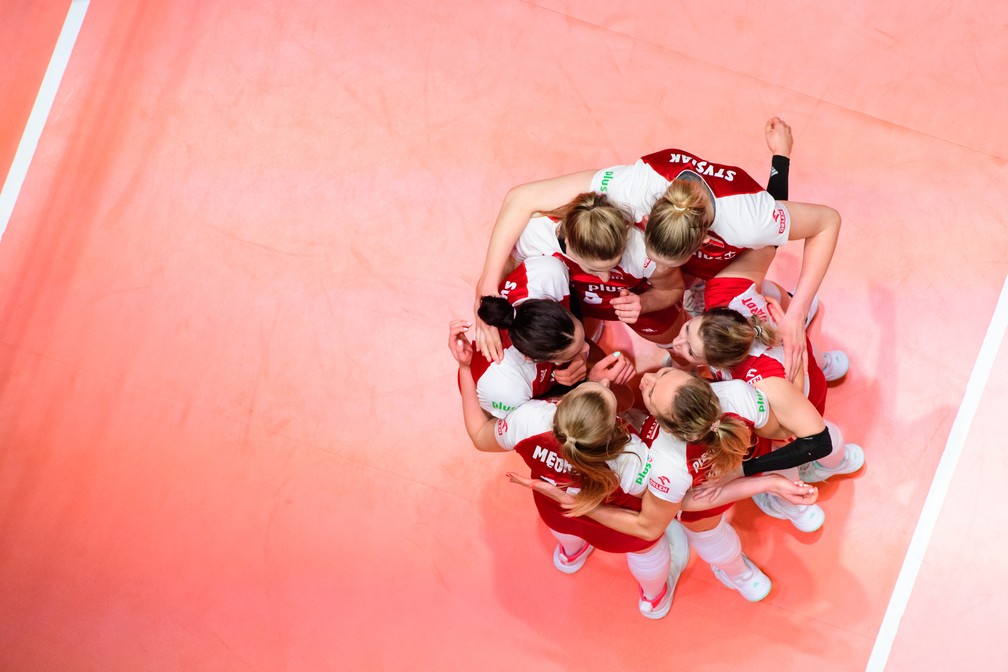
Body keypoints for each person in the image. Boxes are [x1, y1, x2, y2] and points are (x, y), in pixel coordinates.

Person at [475, 118, 835, 381]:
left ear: (705, 243)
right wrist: (485, 287)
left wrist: (795, 313)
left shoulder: (748, 219)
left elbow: (824, 222)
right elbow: (521, 197)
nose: (608, 275)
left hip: (742, 230)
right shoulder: (631, 188)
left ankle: (789, 302)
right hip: (678, 220)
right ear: (641, 218)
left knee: (741, 285)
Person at [510, 367, 822, 603]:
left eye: (654, 385)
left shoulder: (660, 461)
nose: (648, 379)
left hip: (705, 496)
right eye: (659, 375)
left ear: (663, 424)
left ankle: (740, 574)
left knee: (709, 533)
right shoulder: (739, 394)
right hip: (736, 472)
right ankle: (749, 565)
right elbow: (777, 432)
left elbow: (680, 506)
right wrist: (763, 479)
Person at [449, 320, 689, 619]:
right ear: (615, 425)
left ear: (562, 403)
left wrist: (464, 369)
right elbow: (660, 508)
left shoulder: (529, 419)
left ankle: (570, 555)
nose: (600, 383)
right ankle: (654, 599)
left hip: (556, 512)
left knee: (568, 537)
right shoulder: (636, 457)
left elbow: (479, 437)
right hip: (618, 527)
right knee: (649, 552)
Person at [511, 191, 686, 349]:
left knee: (674, 342)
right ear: (569, 243)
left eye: (615, 264)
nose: (604, 278)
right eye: (592, 269)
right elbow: (510, 272)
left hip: (634, 298)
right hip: (575, 301)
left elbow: (673, 288)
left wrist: (644, 303)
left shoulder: (642, 247)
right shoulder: (535, 235)